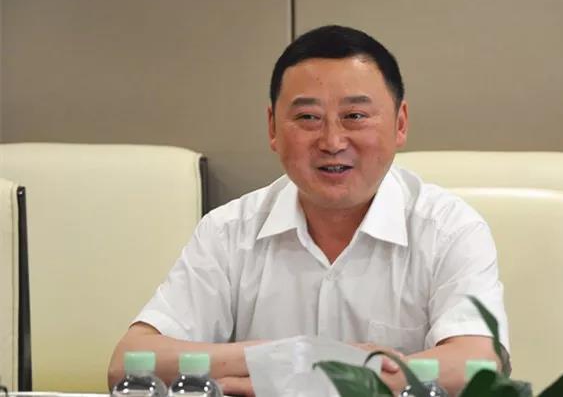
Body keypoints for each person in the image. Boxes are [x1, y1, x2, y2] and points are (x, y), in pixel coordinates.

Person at [108, 25, 509, 396]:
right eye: (308, 118)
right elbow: (129, 362)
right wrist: (285, 356)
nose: (332, 142)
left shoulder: (450, 229)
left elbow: (477, 366)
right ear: (272, 128)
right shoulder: (228, 231)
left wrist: (317, 376)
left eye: (354, 116)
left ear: (400, 123)